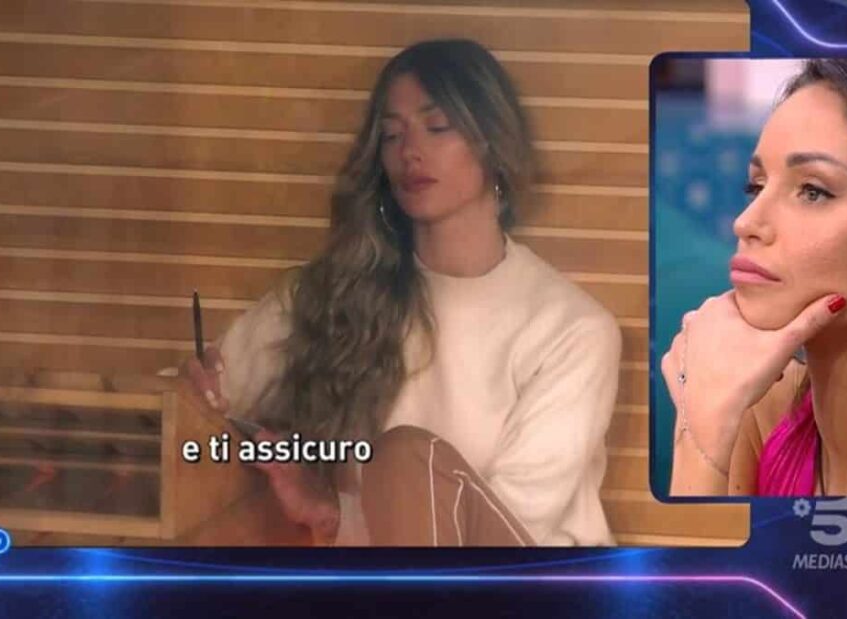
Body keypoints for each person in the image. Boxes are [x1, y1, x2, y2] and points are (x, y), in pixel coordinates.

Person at [181, 39, 622, 545]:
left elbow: (513, 529)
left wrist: (338, 516)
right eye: (392, 135)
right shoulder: (328, 294)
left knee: (406, 457)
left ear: (492, 143)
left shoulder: (573, 331)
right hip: (376, 578)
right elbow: (196, 408)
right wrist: (195, 403)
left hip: (518, 578)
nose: (410, 152)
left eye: (438, 127)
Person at [661, 58, 847, 497]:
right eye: (756, 186)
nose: (746, 223)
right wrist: (702, 419)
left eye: (812, 191)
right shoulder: (756, 407)